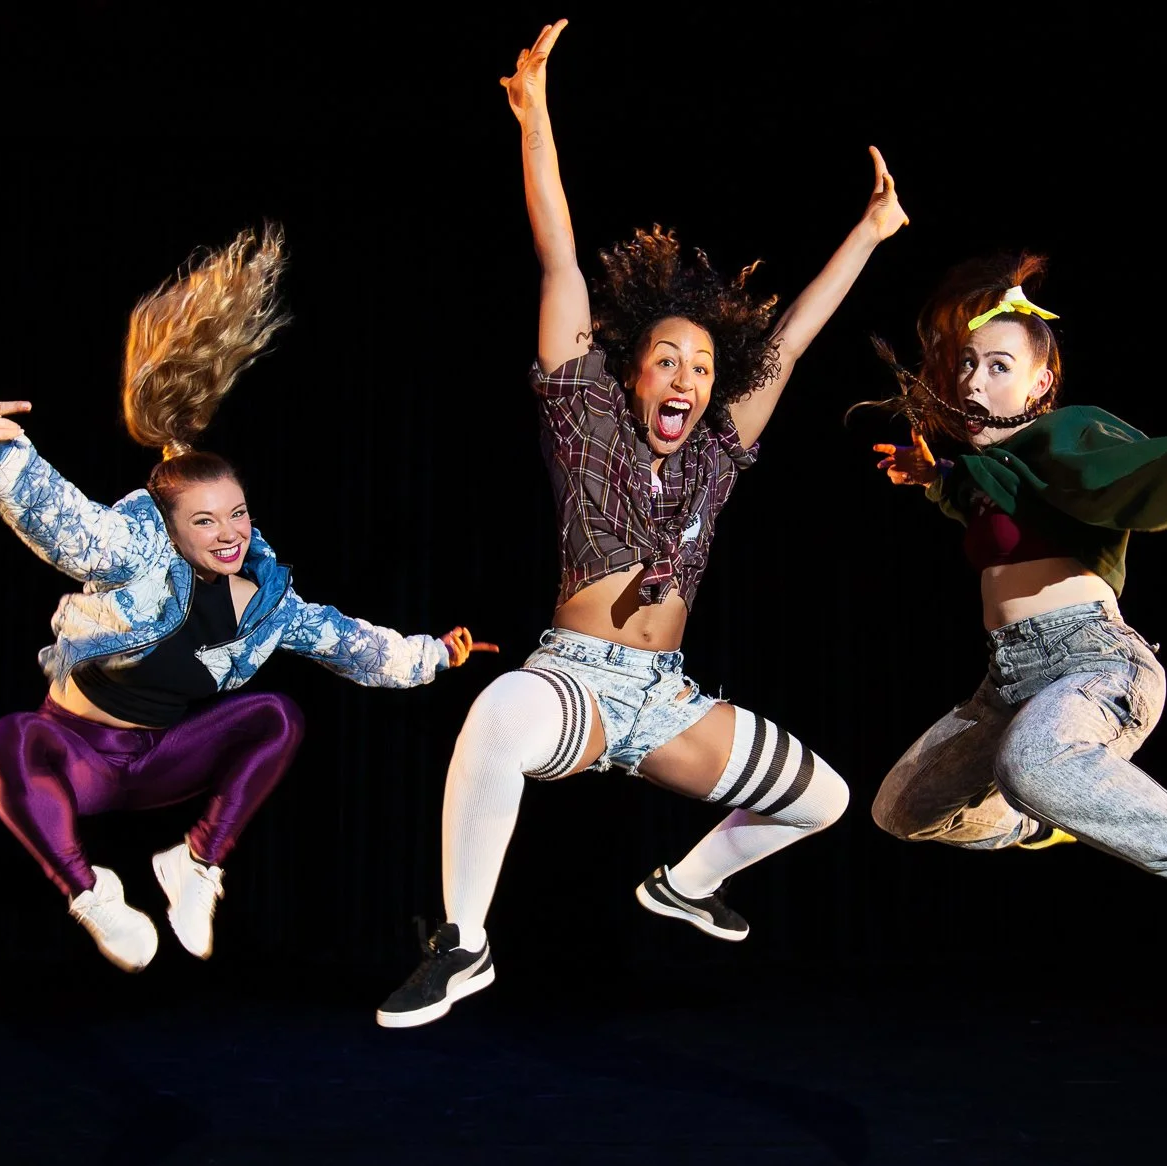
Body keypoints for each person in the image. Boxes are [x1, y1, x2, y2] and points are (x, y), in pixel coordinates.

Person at [374, 18, 908, 1028]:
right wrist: (535, 120)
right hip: (576, 678)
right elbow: (561, 262)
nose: (687, 377)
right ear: (630, 370)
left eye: (703, 368)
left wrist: (870, 235)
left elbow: (787, 347)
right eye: (668, 358)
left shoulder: (715, 454)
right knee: (494, 717)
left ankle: (686, 885)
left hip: (666, 702)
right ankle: (464, 943)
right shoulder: (588, 423)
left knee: (825, 799)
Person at [0, 225, 496, 972]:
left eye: (237, 514)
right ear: (172, 529)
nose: (228, 534)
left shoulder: (267, 603)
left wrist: (433, 655)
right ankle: (91, 896)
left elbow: (344, 640)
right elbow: (62, 520)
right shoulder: (132, 552)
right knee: (7, 741)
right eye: (205, 522)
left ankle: (197, 866)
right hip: (75, 755)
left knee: (279, 715)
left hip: (158, 762)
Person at [858, 250, 1167, 986]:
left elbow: (1129, 474)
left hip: (1095, 663)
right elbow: (986, 499)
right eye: (969, 366)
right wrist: (935, 477)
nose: (976, 380)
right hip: (1008, 681)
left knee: (1031, 763)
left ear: (1041, 382)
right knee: (903, 808)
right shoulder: (994, 475)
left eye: (1001, 366)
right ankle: (1045, 816)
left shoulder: (1065, 436)